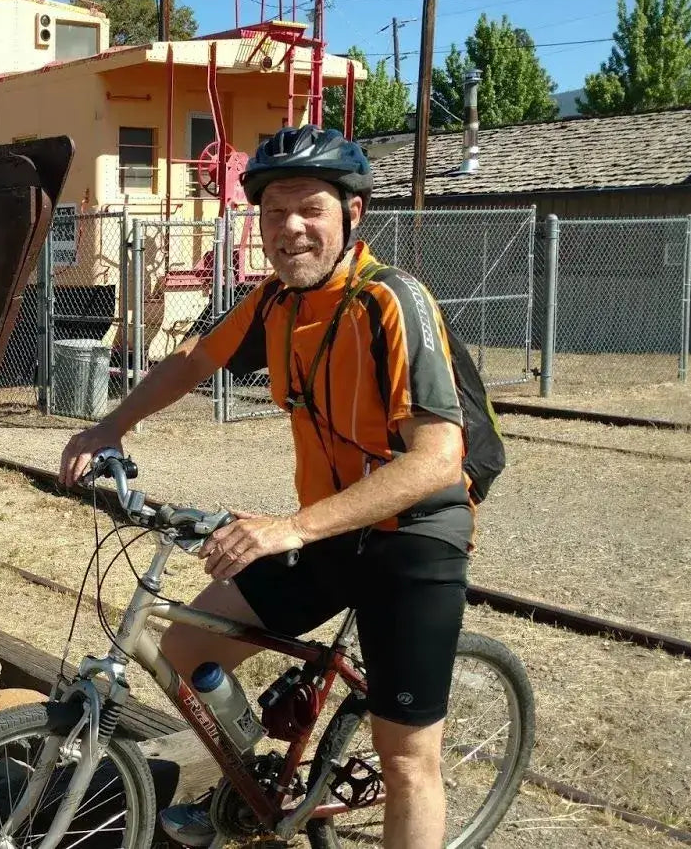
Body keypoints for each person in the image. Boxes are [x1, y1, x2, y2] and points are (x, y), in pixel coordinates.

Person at [60, 124, 473, 849]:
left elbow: (438, 460)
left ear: (353, 214)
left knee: (409, 761)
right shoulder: (275, 303)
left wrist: (293, 527)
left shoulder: (393, 302)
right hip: (325, 530)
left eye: (309, 208)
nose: (290, 229)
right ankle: (257, 785)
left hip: (412, 537)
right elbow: (190, 361)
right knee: (186, 649)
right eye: (273, 211)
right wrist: (109, 426)